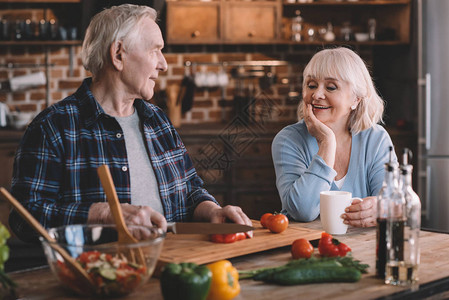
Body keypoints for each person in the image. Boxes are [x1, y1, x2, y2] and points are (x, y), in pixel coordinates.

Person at [9, 4, 252, 243]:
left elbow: (190, 189)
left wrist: (212, 211)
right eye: (154, 50)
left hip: (171, 269)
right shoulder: (52, 128)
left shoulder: (158, 121)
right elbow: (25, 218)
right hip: (97, 276)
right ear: (118, 55)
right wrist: (104, 214)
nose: (163, 64)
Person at [272, 47, 397, 228]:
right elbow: (302, 211)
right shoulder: (288, 140)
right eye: (311, 85)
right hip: (311, 249)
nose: (317, 95)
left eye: (331, 87)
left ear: (355, 99)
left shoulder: (376, 140)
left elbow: (398, 200)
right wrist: (327, 142)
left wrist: (383, 207)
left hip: (367, 247)